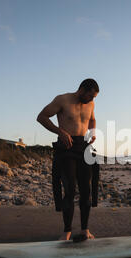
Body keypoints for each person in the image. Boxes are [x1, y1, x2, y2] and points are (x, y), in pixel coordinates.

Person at [37, 79, 99, 241]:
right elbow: (42, 117)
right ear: (82, 89)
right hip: (66, 147)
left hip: (83, 147)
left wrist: (92, 132)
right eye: (90, 96)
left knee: (86, 190)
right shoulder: (62, 100)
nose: (92, 100)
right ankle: (67, 231)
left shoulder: (90, 105)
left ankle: (85, 230)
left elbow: (92, 119)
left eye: (94, 97)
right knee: (70, 189)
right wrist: (60, 132)